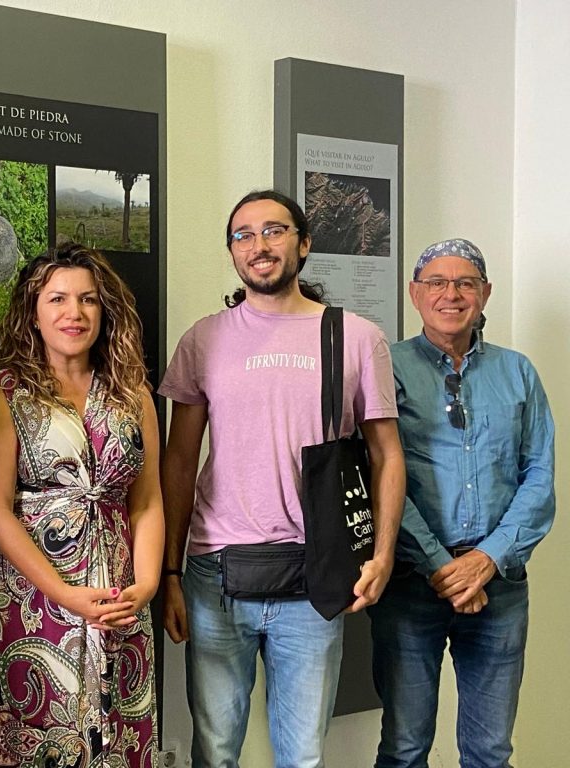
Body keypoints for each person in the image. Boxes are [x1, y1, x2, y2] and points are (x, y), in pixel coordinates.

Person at [159, 190, 406, 768]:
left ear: (303, 243)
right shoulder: (204, 339)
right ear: (232, 252)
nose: (259, 245)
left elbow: (386, 456)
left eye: (274, 230)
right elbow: (178, 461)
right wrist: (170, 571)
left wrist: (384, 555)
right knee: (216, 751)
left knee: (303, 756)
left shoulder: (356, 338)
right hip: (216, 572)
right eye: (243, 235)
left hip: (316, 574)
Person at [0, 243, 163, 767]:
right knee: (37, 738)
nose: (73, 313)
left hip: (122, 593)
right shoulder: (3, 392)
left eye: (88, 300)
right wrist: (65, 595)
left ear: (106, 311)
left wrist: (146, 585)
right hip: (33, 599)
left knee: (120, 736)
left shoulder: (133, 393)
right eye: (57, 299)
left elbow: (147, 499)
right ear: (33, 312)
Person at [369, 238, 555, 768]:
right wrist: (440, 565)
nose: (451, 294)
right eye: (437, 283)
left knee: (490, 751)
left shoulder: (517, 372)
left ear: (485, 293)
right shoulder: (387, 368)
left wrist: (486, 559)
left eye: (465, 283)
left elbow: (539, 477)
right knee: (404, 748)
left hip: (500, 587)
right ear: (414, 293)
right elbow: (380, 473)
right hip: (409, 584)